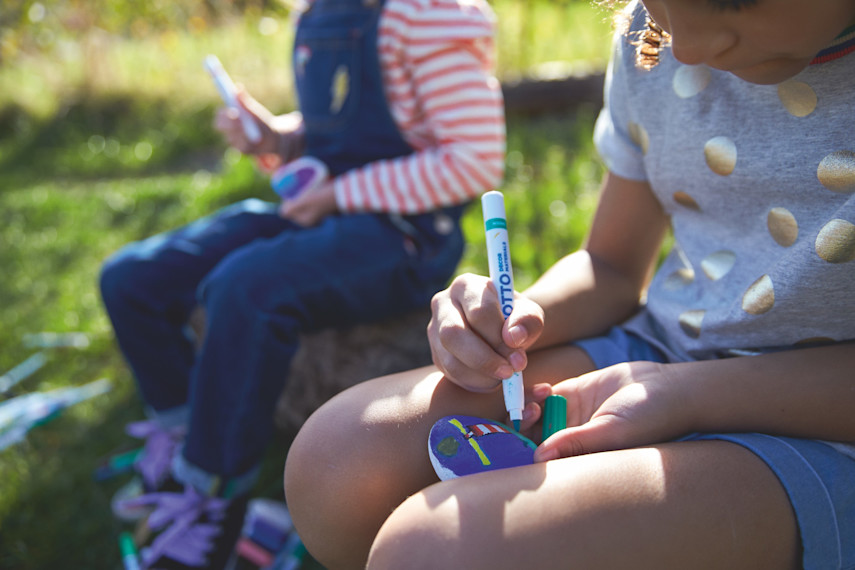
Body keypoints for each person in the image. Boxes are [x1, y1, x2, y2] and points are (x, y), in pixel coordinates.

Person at [283, 0, 855, 568]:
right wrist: (515, 314)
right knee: (338, 464)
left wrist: (689, 396)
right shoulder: (651, 40)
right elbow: (609, 264)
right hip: (660, 357)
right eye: (661, 8)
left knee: (432, 552)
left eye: (732, 1)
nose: (689, 48)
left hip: (818, 425)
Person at [98, 0, 505, 567]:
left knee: (245, 289)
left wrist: (339, 195)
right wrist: (280, 137)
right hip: (326, 209)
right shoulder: (318, 12)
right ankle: (186, 441)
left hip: (400, 234)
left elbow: (474, 160)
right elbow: (343, 133)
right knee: (132, 279)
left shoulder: (427, 15)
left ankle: (213, 498)